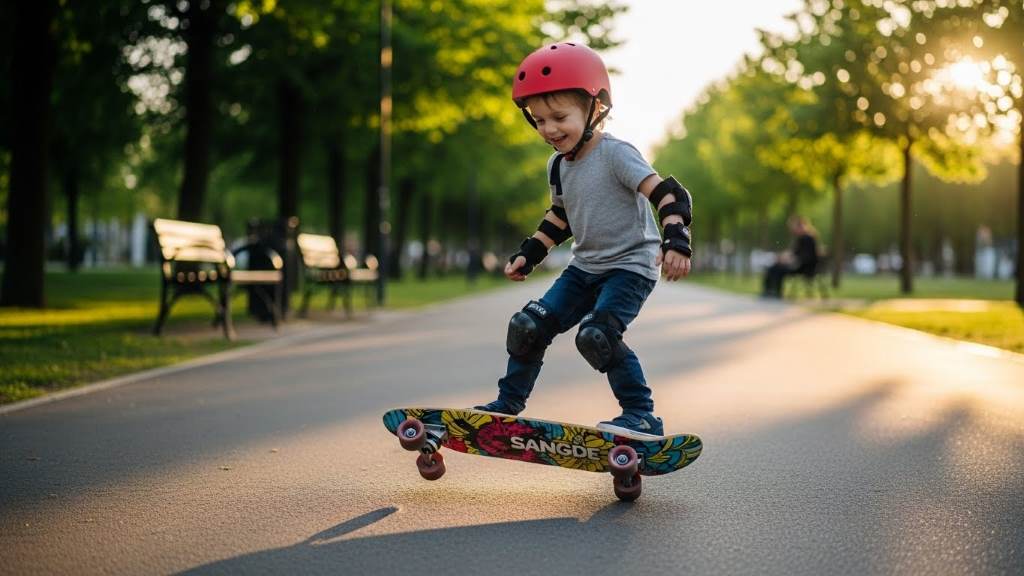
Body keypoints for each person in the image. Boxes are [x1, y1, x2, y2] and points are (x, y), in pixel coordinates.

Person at [473, 43, 694, 437]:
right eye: (539, 120)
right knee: (527, 327)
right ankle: (506, 406)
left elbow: (667, 194)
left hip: (629, 268)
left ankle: (641, 414)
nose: (549, 129)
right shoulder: (558, 165)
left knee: (598, 336)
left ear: (596, 109)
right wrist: (531, 252)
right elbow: (561, 216)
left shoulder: (616, 154)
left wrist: (676, 240)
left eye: (559, 117)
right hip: (584, 268)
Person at [761, 215, 819, 298]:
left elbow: (804, 257)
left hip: (804, 268)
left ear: (802, 226)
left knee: (777, 268)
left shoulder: (807, 238)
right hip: (801, 266)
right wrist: (785, 257)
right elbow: (795, 252)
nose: (794, 230)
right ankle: (770, 291)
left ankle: (775, 292)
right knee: (774, 267)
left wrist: (790, 260)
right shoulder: (803, 238)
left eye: (795, 227)